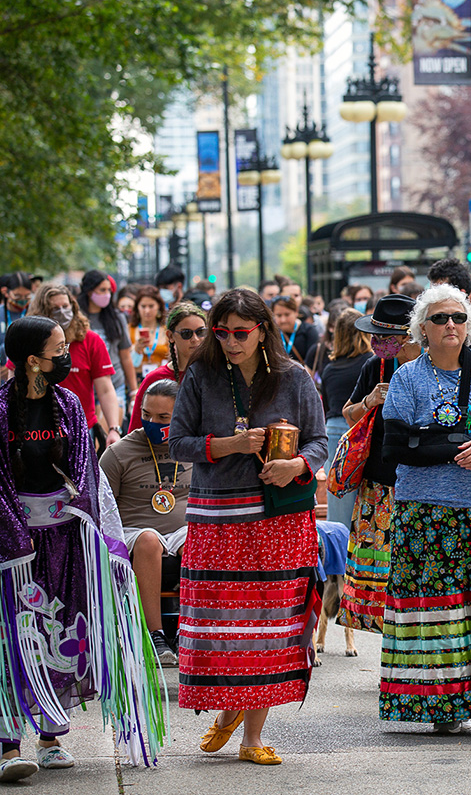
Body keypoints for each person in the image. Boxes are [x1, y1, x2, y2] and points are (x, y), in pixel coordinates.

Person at [0, 316, 163, 781]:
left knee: (59, 632)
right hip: (12, 552)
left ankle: (50, 739)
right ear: (33, 361)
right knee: (10, 636)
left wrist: (76, 518)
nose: (66, 356)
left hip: (63, 539)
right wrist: (16, 535)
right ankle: (9, 746)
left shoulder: (69, 404)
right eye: (58, 350)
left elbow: (83, 471)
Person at [168, 288, 328, 765]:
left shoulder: (295, 377)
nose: (231, 342)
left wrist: (296, 465)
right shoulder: (201, 374)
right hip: (217, 517)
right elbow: (178, 443)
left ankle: (251, 736)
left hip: (280, 517)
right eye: (222, 333)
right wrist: (229, 445)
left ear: (263, 331)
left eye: (241, 333)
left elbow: (321, 441)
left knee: (270, 623)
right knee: (219, 624)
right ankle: (225, 710)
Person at [377, 284, 471, 735]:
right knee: (438, 608)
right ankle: (444, 705)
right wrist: (450, 449)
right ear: (422, 328)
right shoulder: (408, 378)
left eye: (459, 318)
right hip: (426, 511)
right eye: (441, 318)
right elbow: (396, 447)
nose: (451, 325)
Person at [338, 295, 423, 633]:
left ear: (409, 335)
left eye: (385, 337)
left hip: (423, 483)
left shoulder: (434, 366)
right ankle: (392, 642)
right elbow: (348, 415)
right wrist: (369, 401)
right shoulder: (374, 366)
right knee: (380, 571)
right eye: (375, 335)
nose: (376, 343)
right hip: (378, 484)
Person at [99, 378, 191, 668]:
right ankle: (155, 635)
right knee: (149, 539)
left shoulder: (191, 447)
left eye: (163, 417)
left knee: (198, 537)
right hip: (134, 532)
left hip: (180, 530)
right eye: (147, 415)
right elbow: (102, 509)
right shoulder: (118, 453)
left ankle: (188, 630)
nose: (153, 422)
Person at [29, 284, 123, 451]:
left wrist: (113, 429)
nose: (62, 312)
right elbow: (15, 381)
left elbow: (106, 389)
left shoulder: (90, 340)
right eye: (54, 308)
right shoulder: (29, 341)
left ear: (73, 307)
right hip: (39, 429)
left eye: (65, 306)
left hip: (81, 428)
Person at [321, 309, 374, 528]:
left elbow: (326, 406)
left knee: (338, 497)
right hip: (360, 429)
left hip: (332, 431)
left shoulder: (329, 369)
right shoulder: (371, 363)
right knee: (369, 494)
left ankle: (337, 556)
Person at [127, 301, 210, 432]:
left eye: (201, 332)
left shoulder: (218, 373)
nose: (195, 339)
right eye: (186, 334)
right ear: (170, 336)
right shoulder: (155, 379)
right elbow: (135, 433)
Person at [80, 270, 138, 418]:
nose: (106, 294)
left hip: (114, 384)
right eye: (102, 290)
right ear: (89, 291)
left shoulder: (117, 317)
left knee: (110, 435)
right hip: (86, 387)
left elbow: (125, 356)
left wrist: (133, 391)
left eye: (109, 290)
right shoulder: (77, 318)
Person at [0, 270, 34, 364]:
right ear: (6, 292)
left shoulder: (35, 314)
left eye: (27, 296)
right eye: (17, 296)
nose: (22, 300)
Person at [128, 285, 170, 380]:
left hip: (162, 380)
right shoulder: (129, 329)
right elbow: (125, 360)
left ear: (159, 306)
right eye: (143, 306)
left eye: (151, 306)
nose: (147, 311)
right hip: (136, 380)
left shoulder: (166, 330)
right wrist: (136, 349)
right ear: (137, 308)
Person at [271, 294, 319, 368]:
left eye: (287, 315)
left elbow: (313, 361)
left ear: (296, 312)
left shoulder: (309, 331)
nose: (283, 320)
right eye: (279, 315)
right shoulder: (271, 333)